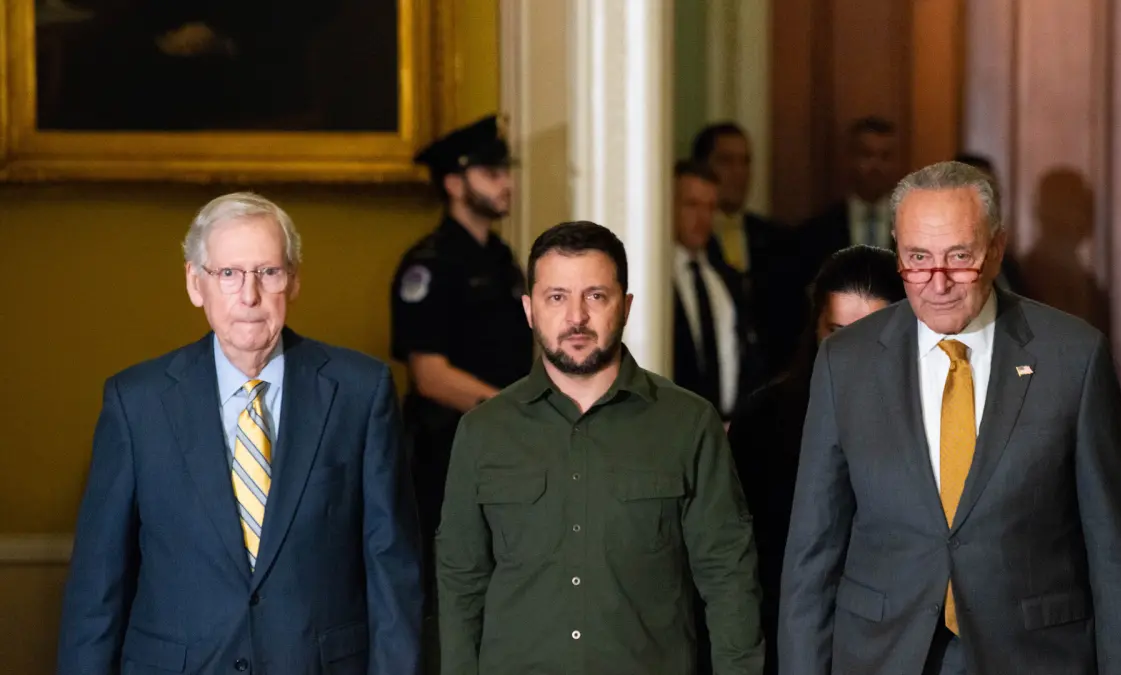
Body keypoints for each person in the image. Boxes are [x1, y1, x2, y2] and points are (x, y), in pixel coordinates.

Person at [778, 161, 1121, 674]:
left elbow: (1116, 555)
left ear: (996, 249)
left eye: (959, 257)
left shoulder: (1073, 357)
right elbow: (813, 551)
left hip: (1032, 656)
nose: (937, 283)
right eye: (918, 259)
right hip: (883, 654)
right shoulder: (846, 362)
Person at [56, 193, 423, 675]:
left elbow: (393, 568)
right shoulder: (136, 403)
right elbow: (97, 586)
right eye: (228, 273)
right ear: (195, 283)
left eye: (267, 272)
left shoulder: (360, 392)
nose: (249, 295)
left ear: (293, 280)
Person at [436, 221, 764, 675]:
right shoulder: (482, 432)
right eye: (557, 297)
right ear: (529, 309)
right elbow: (461, 584)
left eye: (595, 296)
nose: (576, 317)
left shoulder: (689, 424)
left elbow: (729, 576)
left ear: (625, 307)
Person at [726, 244, 904, 675]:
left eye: (872, 336)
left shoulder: (935, 419)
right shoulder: (762, 421)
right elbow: (741, 563)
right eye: (838, 334)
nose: (853, 354)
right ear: (816, 329)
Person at [390, 114, 533, 620]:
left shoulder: (502, 258)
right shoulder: (430, 264)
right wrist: (512, 413)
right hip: (449, 452)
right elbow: (429, 374)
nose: (506, 182)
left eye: (506, 171)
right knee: (453, 599)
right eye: (491, 173)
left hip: (508, 449)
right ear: (454, 183)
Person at [692, 122, 807, 376]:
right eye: (726, 161)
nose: (739, 173)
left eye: (745, 162)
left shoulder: (779, 240)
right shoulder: (692, 241)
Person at [671, 159, 766, 421]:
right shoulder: (653, 279)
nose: (702, 218)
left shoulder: (727, 278)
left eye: (710, 207)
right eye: (692, 205)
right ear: (670, 205)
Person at [798, 116, 902, 288]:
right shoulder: (817, 232)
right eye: (866, 155)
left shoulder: (914, 228)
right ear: (850, 160)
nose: (875, 166)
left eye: (885, 156)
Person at [952, 151, 1028, 296]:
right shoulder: (937, 267)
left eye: (994, 191)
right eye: (982, 193)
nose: (991, 201)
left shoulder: (1006, 262)